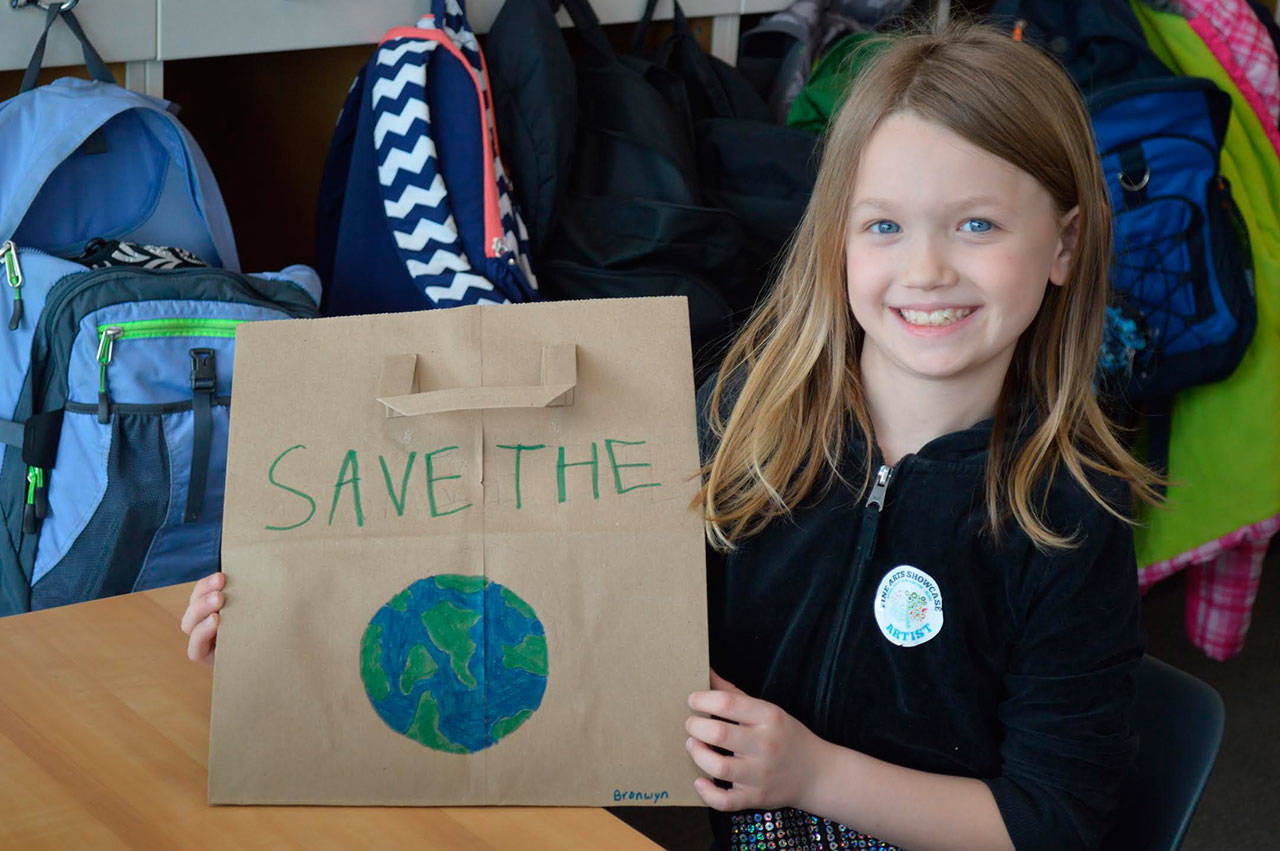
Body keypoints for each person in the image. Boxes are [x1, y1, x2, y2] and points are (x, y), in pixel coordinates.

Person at [683, 21, 1161, 851]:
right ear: (837, 239)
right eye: (884, 226)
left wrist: (813, 774)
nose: (928, 269)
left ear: (1064, 243)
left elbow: (1053, 823)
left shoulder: (1071, 514)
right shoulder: (745, 418)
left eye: (977, 225)